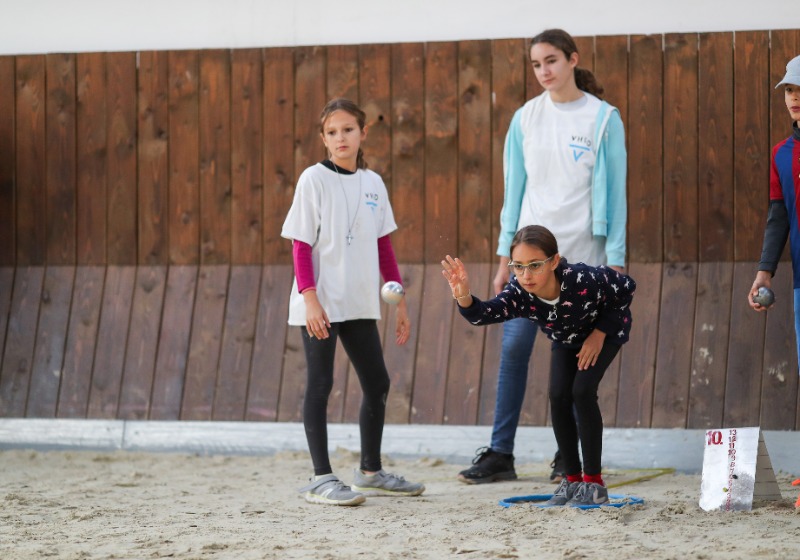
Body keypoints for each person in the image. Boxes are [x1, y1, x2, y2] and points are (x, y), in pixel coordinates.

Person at [457, 28, 628, 485]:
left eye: (551, 60)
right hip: (528, 263)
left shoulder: (604, 118)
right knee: (513, 351)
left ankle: (565, 460)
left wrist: (615, 261)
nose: (543, 71)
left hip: (581, 262)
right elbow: (513, 194)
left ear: (573, 60)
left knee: (570, 370)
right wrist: (502, 260)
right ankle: (500, 453)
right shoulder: (525, 119)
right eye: (536, 64)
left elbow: (616, 196)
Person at [281, 98, 425, 506]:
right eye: (332, 132)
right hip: (321, 303)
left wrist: (400, 303)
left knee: (377, 382)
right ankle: (321, 478)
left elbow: (384, 247)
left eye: (348, 129)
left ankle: (371, 472)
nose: (340, 138)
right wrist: (309, 299)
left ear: (363, 133)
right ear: (323, 138)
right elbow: (301, 245)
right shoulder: (313, 179)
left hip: (361, 302)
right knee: (321, 383)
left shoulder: (374, 183)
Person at [442, 225, 635, 506]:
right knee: (558, 397)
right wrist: (463, 295)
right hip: (565, 339)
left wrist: (600, 333)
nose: (526, 275)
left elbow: (626, 288)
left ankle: (594, 482)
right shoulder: (519, 292)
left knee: (582, 392)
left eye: (534, 265)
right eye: (518, 267)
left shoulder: (581, 278)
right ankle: (571, 480)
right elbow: (483, 314)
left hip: (604, 334)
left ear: (554, 261)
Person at [749, 54, 800, 374]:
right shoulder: (781, 153)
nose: (794, 97)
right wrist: (764, 271)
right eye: (789, 89)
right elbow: (778, 215)